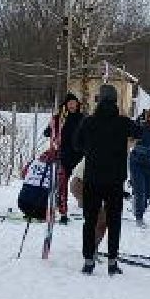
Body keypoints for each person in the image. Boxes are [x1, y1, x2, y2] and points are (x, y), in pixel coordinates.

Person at [75, 86, 135, 274]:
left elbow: (76, 144)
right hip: (115, 180)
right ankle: (112, 262)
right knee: (114, 221)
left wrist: (91, 149)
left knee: (90, 220)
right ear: (116, 101)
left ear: (99, 100)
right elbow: (140, 132)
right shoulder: (123, 122)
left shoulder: (89, 122)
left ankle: (88, 260)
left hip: (92, 178)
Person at [50, 93, 83, 222]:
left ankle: (86, 204)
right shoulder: (60, 118)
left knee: (82, 182)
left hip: (79, 157)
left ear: (77, 104)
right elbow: (50, 132)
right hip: (63, 156)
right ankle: (62, 209)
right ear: (65, 105)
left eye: (74, 103)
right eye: (69, 103)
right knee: (62, 183)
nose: (72, 105)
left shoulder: (82, 118)